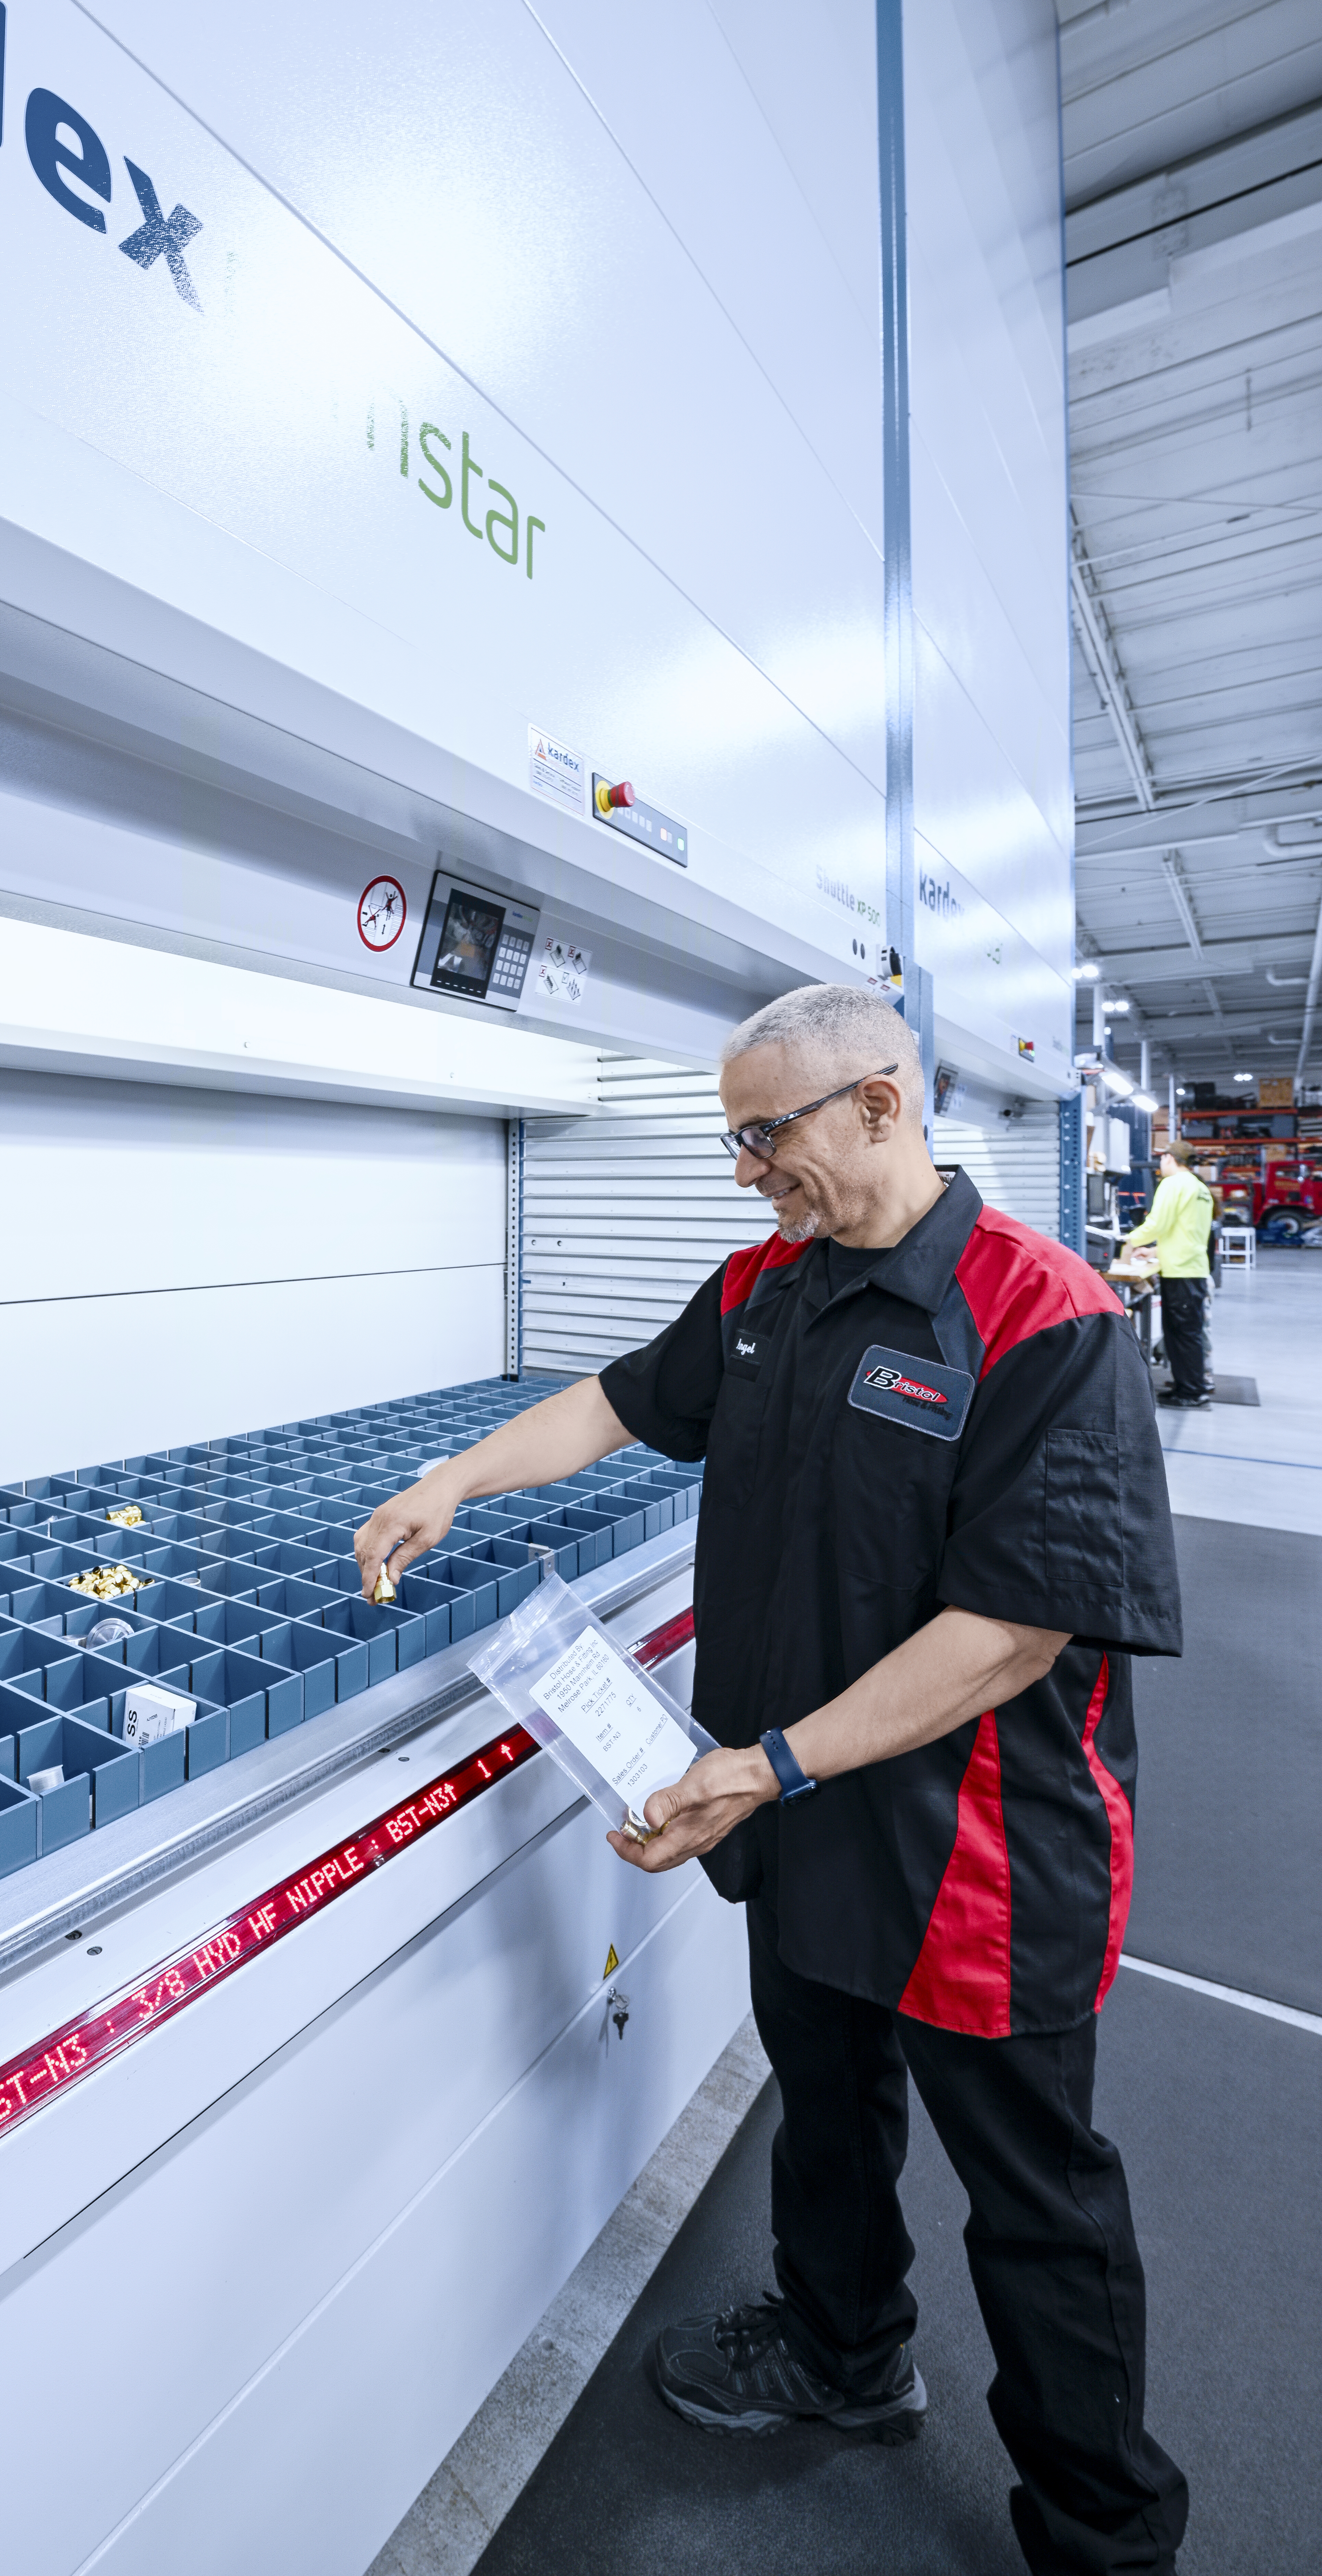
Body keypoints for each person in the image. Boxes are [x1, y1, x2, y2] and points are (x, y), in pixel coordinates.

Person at [355, 982, 1187, 2576]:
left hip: (975, 1851)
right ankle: (843, 2348)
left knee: (1035, 2200)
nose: (746, 1171)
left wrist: (768, 1763)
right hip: (796, 1819)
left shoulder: (1043, 1317)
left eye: (764, 1135)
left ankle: (1105, 2530)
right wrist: (456, 1476)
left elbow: (1010, 1635)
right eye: (733, 1140)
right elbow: (618, 1400)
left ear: (878, 1103)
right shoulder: (762, 1288)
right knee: (826, 2108)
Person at [1122, 1143, 1216, 1406]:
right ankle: (1186, 1383)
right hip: (1193, 1268)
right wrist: (1155, 1252)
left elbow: (1157, 1224)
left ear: (1169, 1158)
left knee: (1183, 1334)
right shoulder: (1200, 1188)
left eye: (1162, 1159)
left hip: (1181, 1272)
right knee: (1186, 1332)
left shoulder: (1173, 1184)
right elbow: (1186, 1232)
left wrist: (1129, 1242)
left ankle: (1192, 1392)